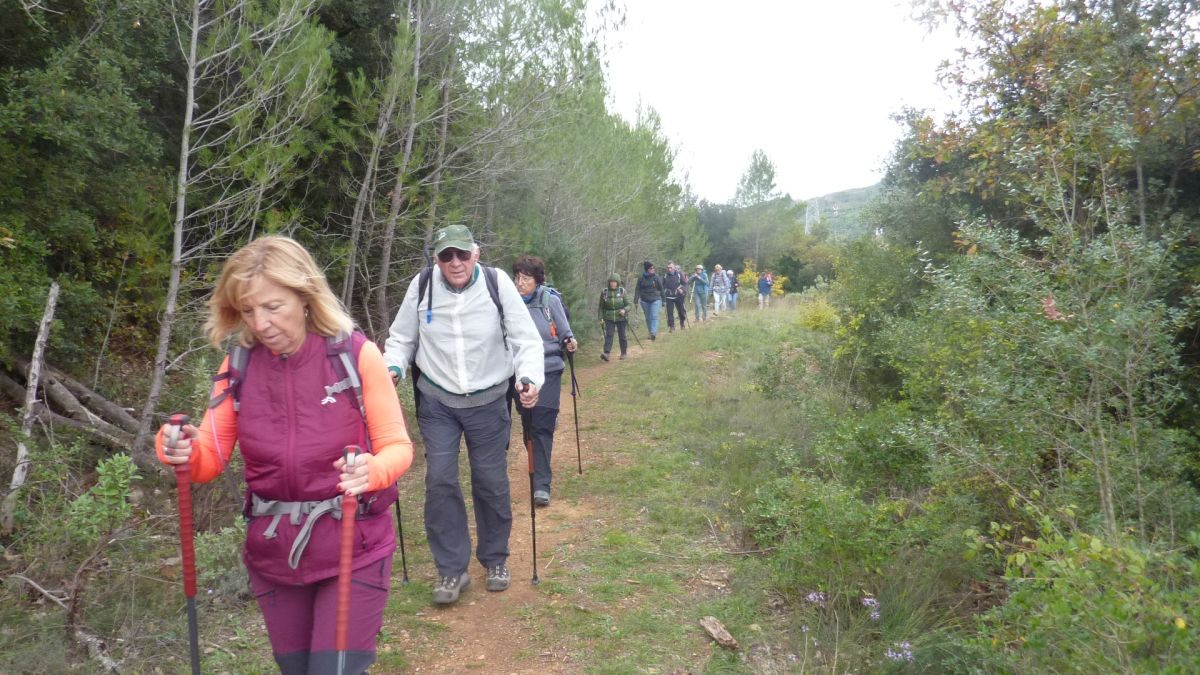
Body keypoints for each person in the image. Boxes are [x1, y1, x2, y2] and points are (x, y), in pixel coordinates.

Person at [157, 236, 414, 674]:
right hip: (275, 549)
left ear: (305, 295)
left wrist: (372, 471)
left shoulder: (353, 355)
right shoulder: (238, 366)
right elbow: (208, 459)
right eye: (248, 310)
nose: (261, 323)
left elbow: (397, 448)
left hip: (354, 541)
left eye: (273, 307)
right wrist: (177, 448)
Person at [383, 225, 543, 605]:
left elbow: (525, 338)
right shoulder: (422, 286)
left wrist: (529, 378)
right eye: (445, 256)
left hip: (489, 399)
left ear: (476, 252)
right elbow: (402, 338)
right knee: (439, 480)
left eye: (461, 254)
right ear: (436, 258)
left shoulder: (496, 282)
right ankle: (451, 569)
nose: (454, 262)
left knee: (490, 480)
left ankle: (495, 559)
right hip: (437, 400)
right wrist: (392, 369)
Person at [510, 255, 576, 507]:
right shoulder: (510, 302)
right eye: (517, 277)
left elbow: (564, 330)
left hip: (548, 369)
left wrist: (569, 341)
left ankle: (541, 484)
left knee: (541, 425)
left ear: (537, 280)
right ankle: (540, 464)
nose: (520, 282)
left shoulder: (550, 301)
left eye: (525, 278)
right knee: (528, 423)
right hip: (519, 372)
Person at [598, 273, 630, 360]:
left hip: (621, 317)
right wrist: (600, 318)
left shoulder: (622, 291)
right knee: (609, 335)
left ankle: (623, 353)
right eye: (611, 282)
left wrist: (624, 310)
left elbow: (628, 305)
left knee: (622, 335)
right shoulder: (604, 292)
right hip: (609, 317)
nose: (613, 283)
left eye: (614, 282)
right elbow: (601, 307)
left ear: (618, 282)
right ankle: (606, 353)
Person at [633, 260, 664, 340]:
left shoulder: (656, 278)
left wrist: (663, 300)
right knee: (647, 317)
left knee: (654, 316)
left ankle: (653, 332)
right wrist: (635, 300)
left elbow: (661, 289)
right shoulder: (641, 279)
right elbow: (637, 290)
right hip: (644, 300)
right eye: (651, 268)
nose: (653, 269)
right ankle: (650, 332)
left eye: (653, 268)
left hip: (655, 300)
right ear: (647, 269)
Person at [661, 262, 687, 332]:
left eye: (671, 268)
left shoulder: (679, 274)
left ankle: (682, 323)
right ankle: (671, 326)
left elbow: (684, 284)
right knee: (670, 312)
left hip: (678, 296)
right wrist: (663, 294)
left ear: (674, 268)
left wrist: (682, 290)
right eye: (668, 268)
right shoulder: (665, 275)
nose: (669, 269)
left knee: (681, 311)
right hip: (669, 296)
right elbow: (662, 286)